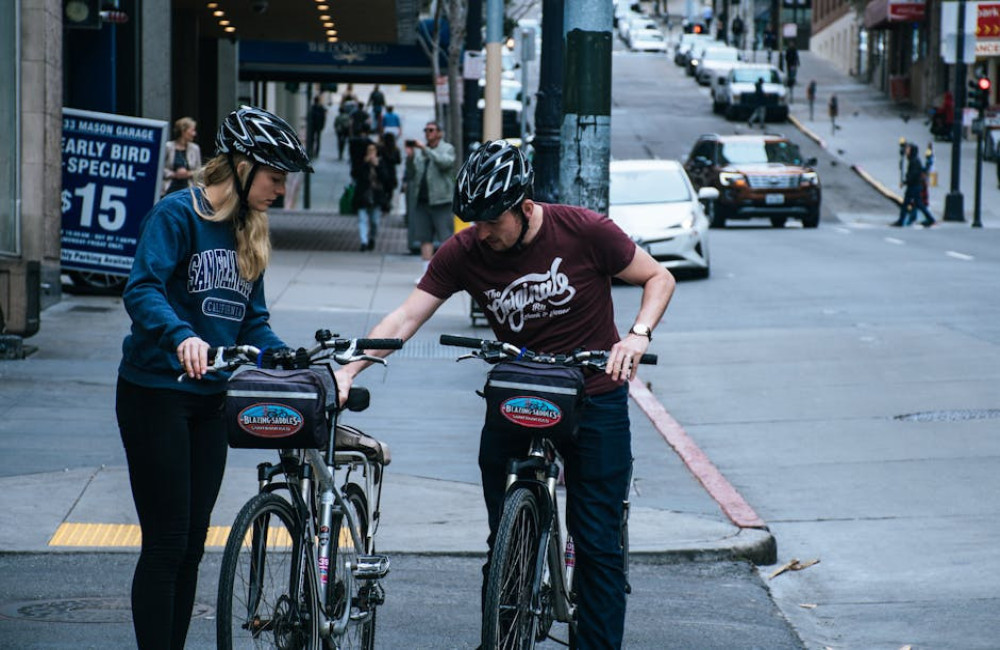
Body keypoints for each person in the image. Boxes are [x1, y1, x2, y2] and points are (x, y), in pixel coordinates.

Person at [332, 140, 675, 649]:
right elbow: (405, 317)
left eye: (493, 219)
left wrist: (637, 335)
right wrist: (349, 371)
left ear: (526, 207)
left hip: (593, 395)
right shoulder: (467, 250)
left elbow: (657, 277)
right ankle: (504, 632)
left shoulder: (584, 230)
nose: (482, 231)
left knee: (597, 543)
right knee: (505, 541)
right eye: (475, 220)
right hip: (519, 392)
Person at [116, 105, 312, 650]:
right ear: (243, 166)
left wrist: (286, 357)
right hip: (155, 393)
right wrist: (182, 336)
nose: (280, 190)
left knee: (194, 544)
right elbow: (142, 289)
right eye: (275, 178)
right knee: (166, 542)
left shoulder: (251, 232)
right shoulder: (178, 215)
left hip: (210, 402)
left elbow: (254, 321)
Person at [404, 121, 456, 281]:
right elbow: (412, 174)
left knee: (445, 238)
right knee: (424, 238)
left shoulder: (447, 148)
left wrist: (425, 149)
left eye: (431, 130)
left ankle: (447, 273)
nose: (428, 133)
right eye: (426, 130)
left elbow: (445, 163)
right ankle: (427, 274)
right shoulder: (420, 153)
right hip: (422, 201)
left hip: (442, 201)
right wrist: (411, 157)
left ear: (439, 133)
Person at [351, 141, 394, 251]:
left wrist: (377, 166)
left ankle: (372, 238)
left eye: (373, 151)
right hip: (363, 194)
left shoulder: (381, 163)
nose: (371, 154)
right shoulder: (361, 163)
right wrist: (365, 164)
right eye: (369, 151)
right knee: (362, 219)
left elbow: (386, 178)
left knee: (375, 221)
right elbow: (355, 175)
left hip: (376, 195)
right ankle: (363, 241)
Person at [892, 142, 935, 227]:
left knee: (908, 204)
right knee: (917, 204)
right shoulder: (913, 160)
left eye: (908, 149)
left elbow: (913, 175)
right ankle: (930, 219)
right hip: (914, 185)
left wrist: (905, 182)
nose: (906, 150)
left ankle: (901, 221)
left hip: (914, 186)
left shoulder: (914, 161)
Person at [161, 117, 202, 197]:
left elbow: (199, 171)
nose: (194, 134)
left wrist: (187, 174)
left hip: (188, 190)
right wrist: (174, 174)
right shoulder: (168, 147)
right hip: (169, 189)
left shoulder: (195, 148)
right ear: (183, 131)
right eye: (192, 130)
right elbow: (159, 168)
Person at [307, 94, 327, 159]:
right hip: (318, 126)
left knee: (313, 139)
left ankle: (312, 151)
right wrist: (322, 125)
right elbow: (323, 118)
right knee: (317, 139)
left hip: (314, 125)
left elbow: (310, 117)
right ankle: (316, 152)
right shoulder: (320, 108)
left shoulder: (313, 108)